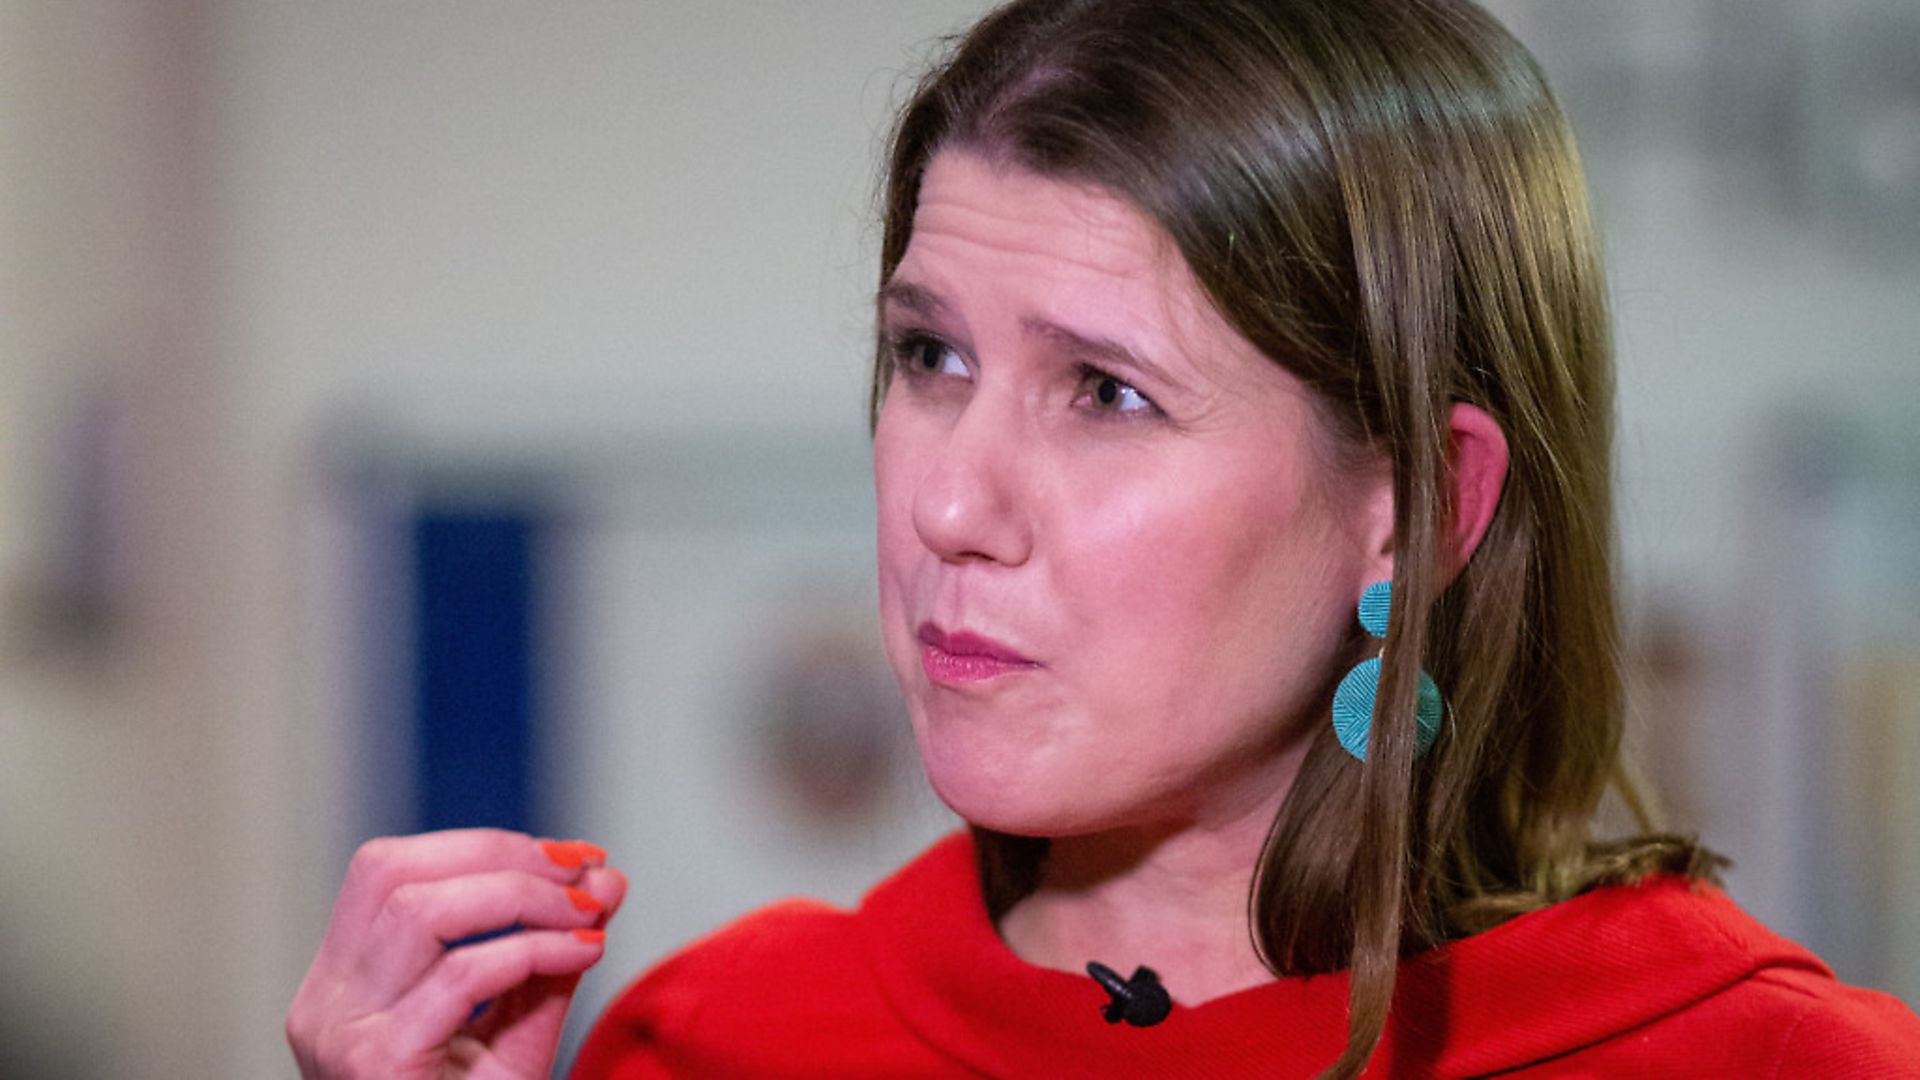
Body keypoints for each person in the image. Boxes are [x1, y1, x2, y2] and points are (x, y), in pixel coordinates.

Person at [286, 1, 1920, 1076]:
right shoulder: (719, 1043)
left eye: (1109, 394)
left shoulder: (1759, 1062)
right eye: (929, 357)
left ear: (1420, 509)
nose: (945, 506)